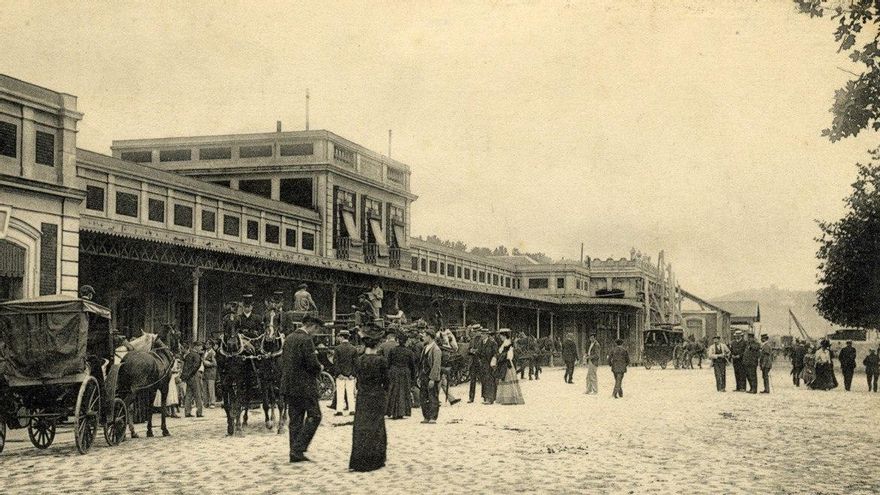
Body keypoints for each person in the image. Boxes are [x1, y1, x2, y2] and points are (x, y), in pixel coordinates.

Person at [281, 315, 324, 463]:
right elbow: (312, 364)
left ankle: (294, 453)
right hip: (305, 387)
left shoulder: (289, 338)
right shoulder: (306, 340)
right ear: (312, 326)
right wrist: (320, 367)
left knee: (296, 419)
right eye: (316, 330)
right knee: (315, 416)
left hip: (289, 386)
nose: (316, 333)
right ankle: (299, 448)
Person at [349, 325, 388, 472]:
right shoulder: (381, 361)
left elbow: (357, 379)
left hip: (362, 397)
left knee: (361, 428)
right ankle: (375, 459)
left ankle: (359, 460)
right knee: (376, 427)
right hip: (377, 396)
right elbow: (386, 381)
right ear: (378, 344)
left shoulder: (359, 360)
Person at [386, 332, 416, 419]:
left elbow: (388, 363)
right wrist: (413, 378)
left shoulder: (393, 350)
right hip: (405, 372)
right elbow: (412, 366)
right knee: (403, 391)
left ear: (398, 341)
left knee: (393, 391)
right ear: (406, 341)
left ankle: (392, 411)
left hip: (394, 371)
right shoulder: (409, 352)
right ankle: (402, 411)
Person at [418, 330, 442, 423]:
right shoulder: (425, 348)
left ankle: (433, 417)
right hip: (424, 376)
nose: (423, 337)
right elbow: (421, 363)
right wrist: (419, 376)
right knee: (423, 397)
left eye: (424, 336)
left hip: (431, 376)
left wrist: (432, 379)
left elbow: (436, 365)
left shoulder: (436, 349)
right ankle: (426, 416)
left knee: (432, 397)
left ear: (430, 337)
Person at [495, 329, 525, 405]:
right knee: (504, 379)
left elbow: (510, 353)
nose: (500, 337)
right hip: (504, 362)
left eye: (501, 336)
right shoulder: (505, 342)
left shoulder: (508, 342)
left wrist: (507, 359)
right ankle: (505, 398)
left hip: (506, 362)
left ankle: (509, 399)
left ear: (504, 336)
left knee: (507, 378)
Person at [333, 330, 358, 416]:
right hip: (350, 375)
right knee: (351, 393)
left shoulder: (337, 348)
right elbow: (356, 363)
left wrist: (339, 373)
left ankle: (339, 410)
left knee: (340, 392)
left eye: (340, 336)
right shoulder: (354, 349)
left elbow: (336, 362)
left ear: (342, 337)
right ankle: (352, 409)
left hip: (340, 375)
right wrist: (353, 374)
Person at [437, 330, 461, 406]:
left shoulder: (444, 346)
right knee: (439, 383)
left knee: (443, 383)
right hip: (439, 368)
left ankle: (451, 399)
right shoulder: (439, 349)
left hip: (442, 368)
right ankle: (435, 400)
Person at [182, 342, 204, 417]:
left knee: (188, 394)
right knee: (198, 394)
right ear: (196, 347)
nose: (201, 348)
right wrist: (191, 374)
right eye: (200, 346)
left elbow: (185, 367)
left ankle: (187, 412)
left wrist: (186, 376)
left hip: (188, 378)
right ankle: (199, 412)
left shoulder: (188, 355)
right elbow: (196, 366)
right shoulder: (196, 355)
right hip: (194, 376)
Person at [467, 325, 484, 403]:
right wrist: (471, 350)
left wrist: (474, 351)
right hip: (473, 362)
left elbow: (482, 350)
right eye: (475, 332)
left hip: (480, 362)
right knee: (472, 380)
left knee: (483, 380)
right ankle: (471, 397)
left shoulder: (483, 339)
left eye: (477, 331)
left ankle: (485, 396)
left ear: (480, 331)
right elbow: (468, 350)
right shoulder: (472, 340)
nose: (476, 333)